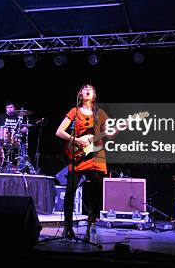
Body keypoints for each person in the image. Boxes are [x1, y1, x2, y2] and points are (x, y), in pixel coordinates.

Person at [55, 85, 123, 239]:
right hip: (77, 154)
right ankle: (67, 227)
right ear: (80, 94)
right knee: (70, 192)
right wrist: (77, 140)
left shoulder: (101, 113)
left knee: (96, 192)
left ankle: (91, 225)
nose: (86, 90)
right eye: (84, 88)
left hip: (96, 155)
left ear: (94, 95)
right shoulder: (74, 111)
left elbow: (109, 135)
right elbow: (59, 131)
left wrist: (119, 128)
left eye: (90, 89)